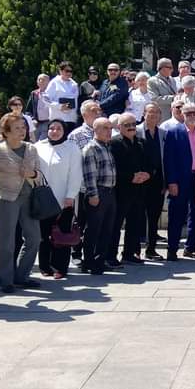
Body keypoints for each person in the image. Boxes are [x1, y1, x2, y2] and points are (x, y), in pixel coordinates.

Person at [0, 113, 42, 293]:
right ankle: (5, 279)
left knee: (34, 238)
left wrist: (31, 174)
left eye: (23, 127)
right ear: (6, 131)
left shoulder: (31, 148)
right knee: (6, 241)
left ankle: (22, 275)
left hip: (29, 197)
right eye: (17, 128)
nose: (22, 131)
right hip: (7, 198)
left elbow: (39, 174)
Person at [163, 102, 195, 260]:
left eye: (194, 113)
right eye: (188, 113)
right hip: (180, 179)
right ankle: (172, 250)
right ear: (182, 115)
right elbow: (168, 159)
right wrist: (171, 182)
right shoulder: (173, 132)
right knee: (177, 215)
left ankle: (190, 247)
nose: (192, 116)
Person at [35, 120, 83, 279]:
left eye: (58, 128)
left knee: (61, 236)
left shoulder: (72, 148)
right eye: (51, 128)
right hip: (42, 199)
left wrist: (71, 195)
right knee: (43, 235)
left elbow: (76, 174)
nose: (54, 131)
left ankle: (60, 267)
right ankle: (44, 266)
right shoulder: (39, 146)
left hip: (64, 199)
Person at [110, 112, 150, 265]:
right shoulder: (114, 143)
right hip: (122, 191)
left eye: (133, 124)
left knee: (135, 223)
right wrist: (131, 177)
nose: (131, 128)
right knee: (116, 225)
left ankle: (129, 253)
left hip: (139, 190)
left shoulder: (141, 142)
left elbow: (150, 162)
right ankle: (111, 255)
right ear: (119, 127)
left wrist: (147, 174)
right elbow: (114, 168)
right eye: (127, 125)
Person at [80, 117, 117, 275]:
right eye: (105, 128)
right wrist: (93, 194)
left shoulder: (106, 146)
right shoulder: (91, 148)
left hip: (110, 192)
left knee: (107, 229)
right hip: (98, 192)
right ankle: (89, 261)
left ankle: (100, 260)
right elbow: (89, 175)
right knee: (93, 230)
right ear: (96, 130)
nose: (109, 131)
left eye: (110, 128)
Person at [137, 103, 165, 259]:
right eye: (150, 112)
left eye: (156, 113)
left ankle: (151, 249)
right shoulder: (136, 131)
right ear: (144, 114)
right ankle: (133, 249)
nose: (153, 115)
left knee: (154, 217)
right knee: (137, 216)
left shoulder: (163, 134)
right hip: (140, 181)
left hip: (158, 182)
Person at [44, 62, 79, 131]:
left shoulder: (74, 84)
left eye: (71, 71)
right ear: (60, 71)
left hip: (71, 119)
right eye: (67, 71)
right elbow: (45, 99)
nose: (69, 73)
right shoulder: (54, 82)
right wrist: (59, 106)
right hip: (58, 119)